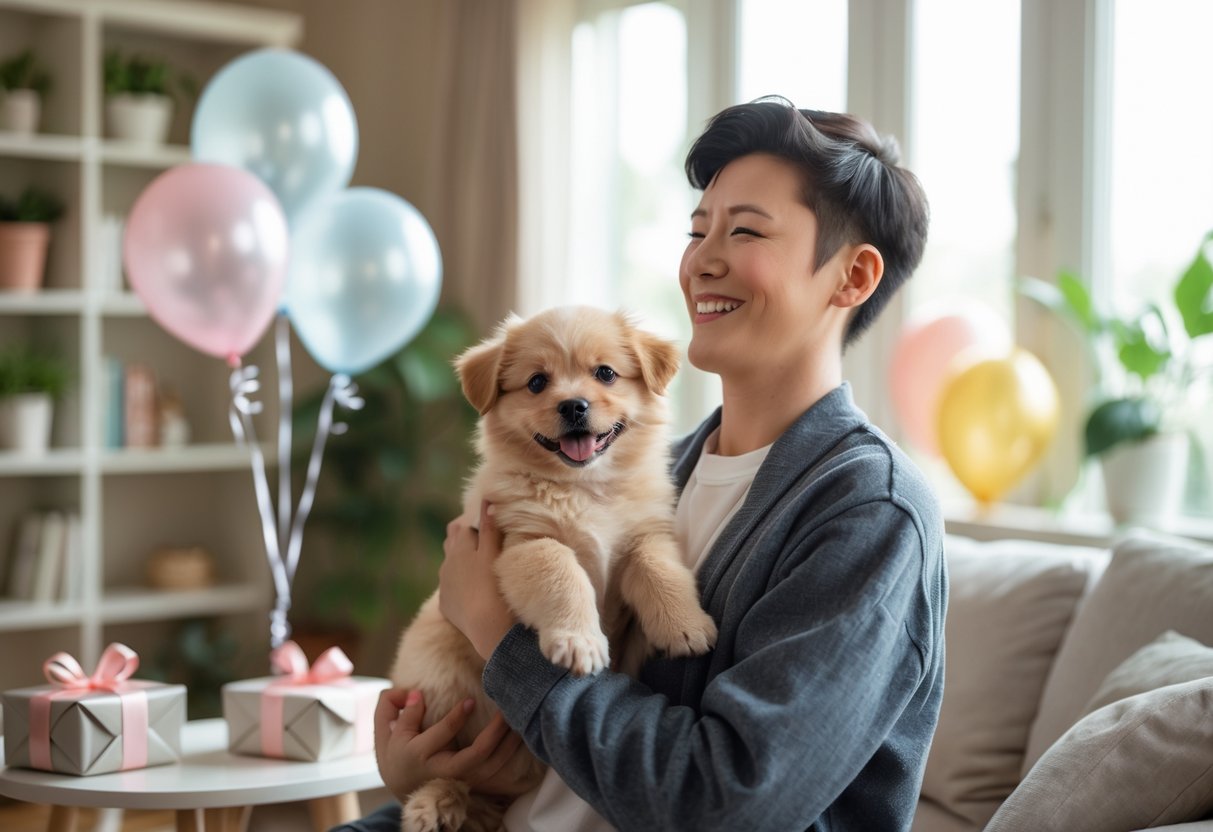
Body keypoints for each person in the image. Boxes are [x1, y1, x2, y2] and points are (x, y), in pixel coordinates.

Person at [341, 96, 945, 831]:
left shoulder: (867, 513)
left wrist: (501, 637)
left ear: (851, 278)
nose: (703, 260)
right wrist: (411, 766)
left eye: (744, 230)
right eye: (698, 231)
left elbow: (728, 801)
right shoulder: (655, 467)